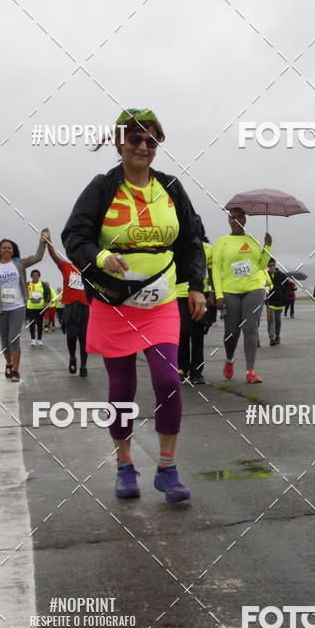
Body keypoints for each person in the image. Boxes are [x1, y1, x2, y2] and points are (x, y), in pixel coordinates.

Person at [62, 107, 206, 503]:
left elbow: (191, 239)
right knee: (122, 388)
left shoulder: (171, 188)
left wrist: (196, 286)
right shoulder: (102, 187)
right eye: (136, 139)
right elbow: (74, 235)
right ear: (119, 142)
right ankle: (125, 466)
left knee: (168, 381)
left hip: (160, 301)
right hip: (113, 303)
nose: (144, 146)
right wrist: (100, 257)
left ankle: (167, 468)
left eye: (152, 139)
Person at [212, 208, 272, 383]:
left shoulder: (252, 240)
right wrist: (218, 294)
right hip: (230, 290)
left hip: (253, 288)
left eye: (239, 217)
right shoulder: (222, 242)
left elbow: (261, 265)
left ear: (245, 220)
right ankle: (229, 359)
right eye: (232, 217)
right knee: (232, 331)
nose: (236, 220)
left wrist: (267, 246)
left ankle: (250, 371)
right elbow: (216, 269)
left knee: (250, 328)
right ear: (228, 220)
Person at [0, 230, 48, 382]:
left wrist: (43, 241)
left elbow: (38, 257)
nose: (7, 250)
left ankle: (16, 370)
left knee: (13, 338)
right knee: (4, 340)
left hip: (17, 306)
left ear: (13, 250)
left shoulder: (19, 263)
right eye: (4, 248)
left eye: (10, 248)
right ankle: (8, 364)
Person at [46, 240, 90, 375]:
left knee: (84, 337)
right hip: (70, 307)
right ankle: (72, 357)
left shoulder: (89, 270)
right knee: (71, 336)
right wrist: (48, 241)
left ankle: (83, 365)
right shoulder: (66, 267)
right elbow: (53, 256)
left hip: (85, 307)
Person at [177, 220, 213, 385]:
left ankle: (197, 373)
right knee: (183, 334)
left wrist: (213, 293)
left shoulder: (208, 249)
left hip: (201, 294)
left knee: (198, 335)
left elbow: (213, 272)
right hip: (179, 295)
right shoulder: (176, 246)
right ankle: (182, 370)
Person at [266, 259, 289, 345]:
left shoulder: (282, 275)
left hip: (279, 301)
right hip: (269, 301)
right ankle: (272, 338)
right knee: (271, 320)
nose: (272, 267)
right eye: (270, 265)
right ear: (267, 266)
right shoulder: (265, 275)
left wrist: (285, 297)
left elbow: (287, 286)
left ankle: (277, 336)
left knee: (278, 320)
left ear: (275, 265)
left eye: (273, 265)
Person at [26, 269, 52, 345]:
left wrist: (47, 301)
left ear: (39, 276)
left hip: (40, 307)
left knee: (40, 323)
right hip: (31, 307)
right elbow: (23, 292)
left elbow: (48, 293)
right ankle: (33, 339)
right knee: (32, 323)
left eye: (37, 275)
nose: (35, 277)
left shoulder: (43, 284)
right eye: (34, 275)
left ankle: (40, 339)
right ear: (31, 276)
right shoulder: (28, 284)